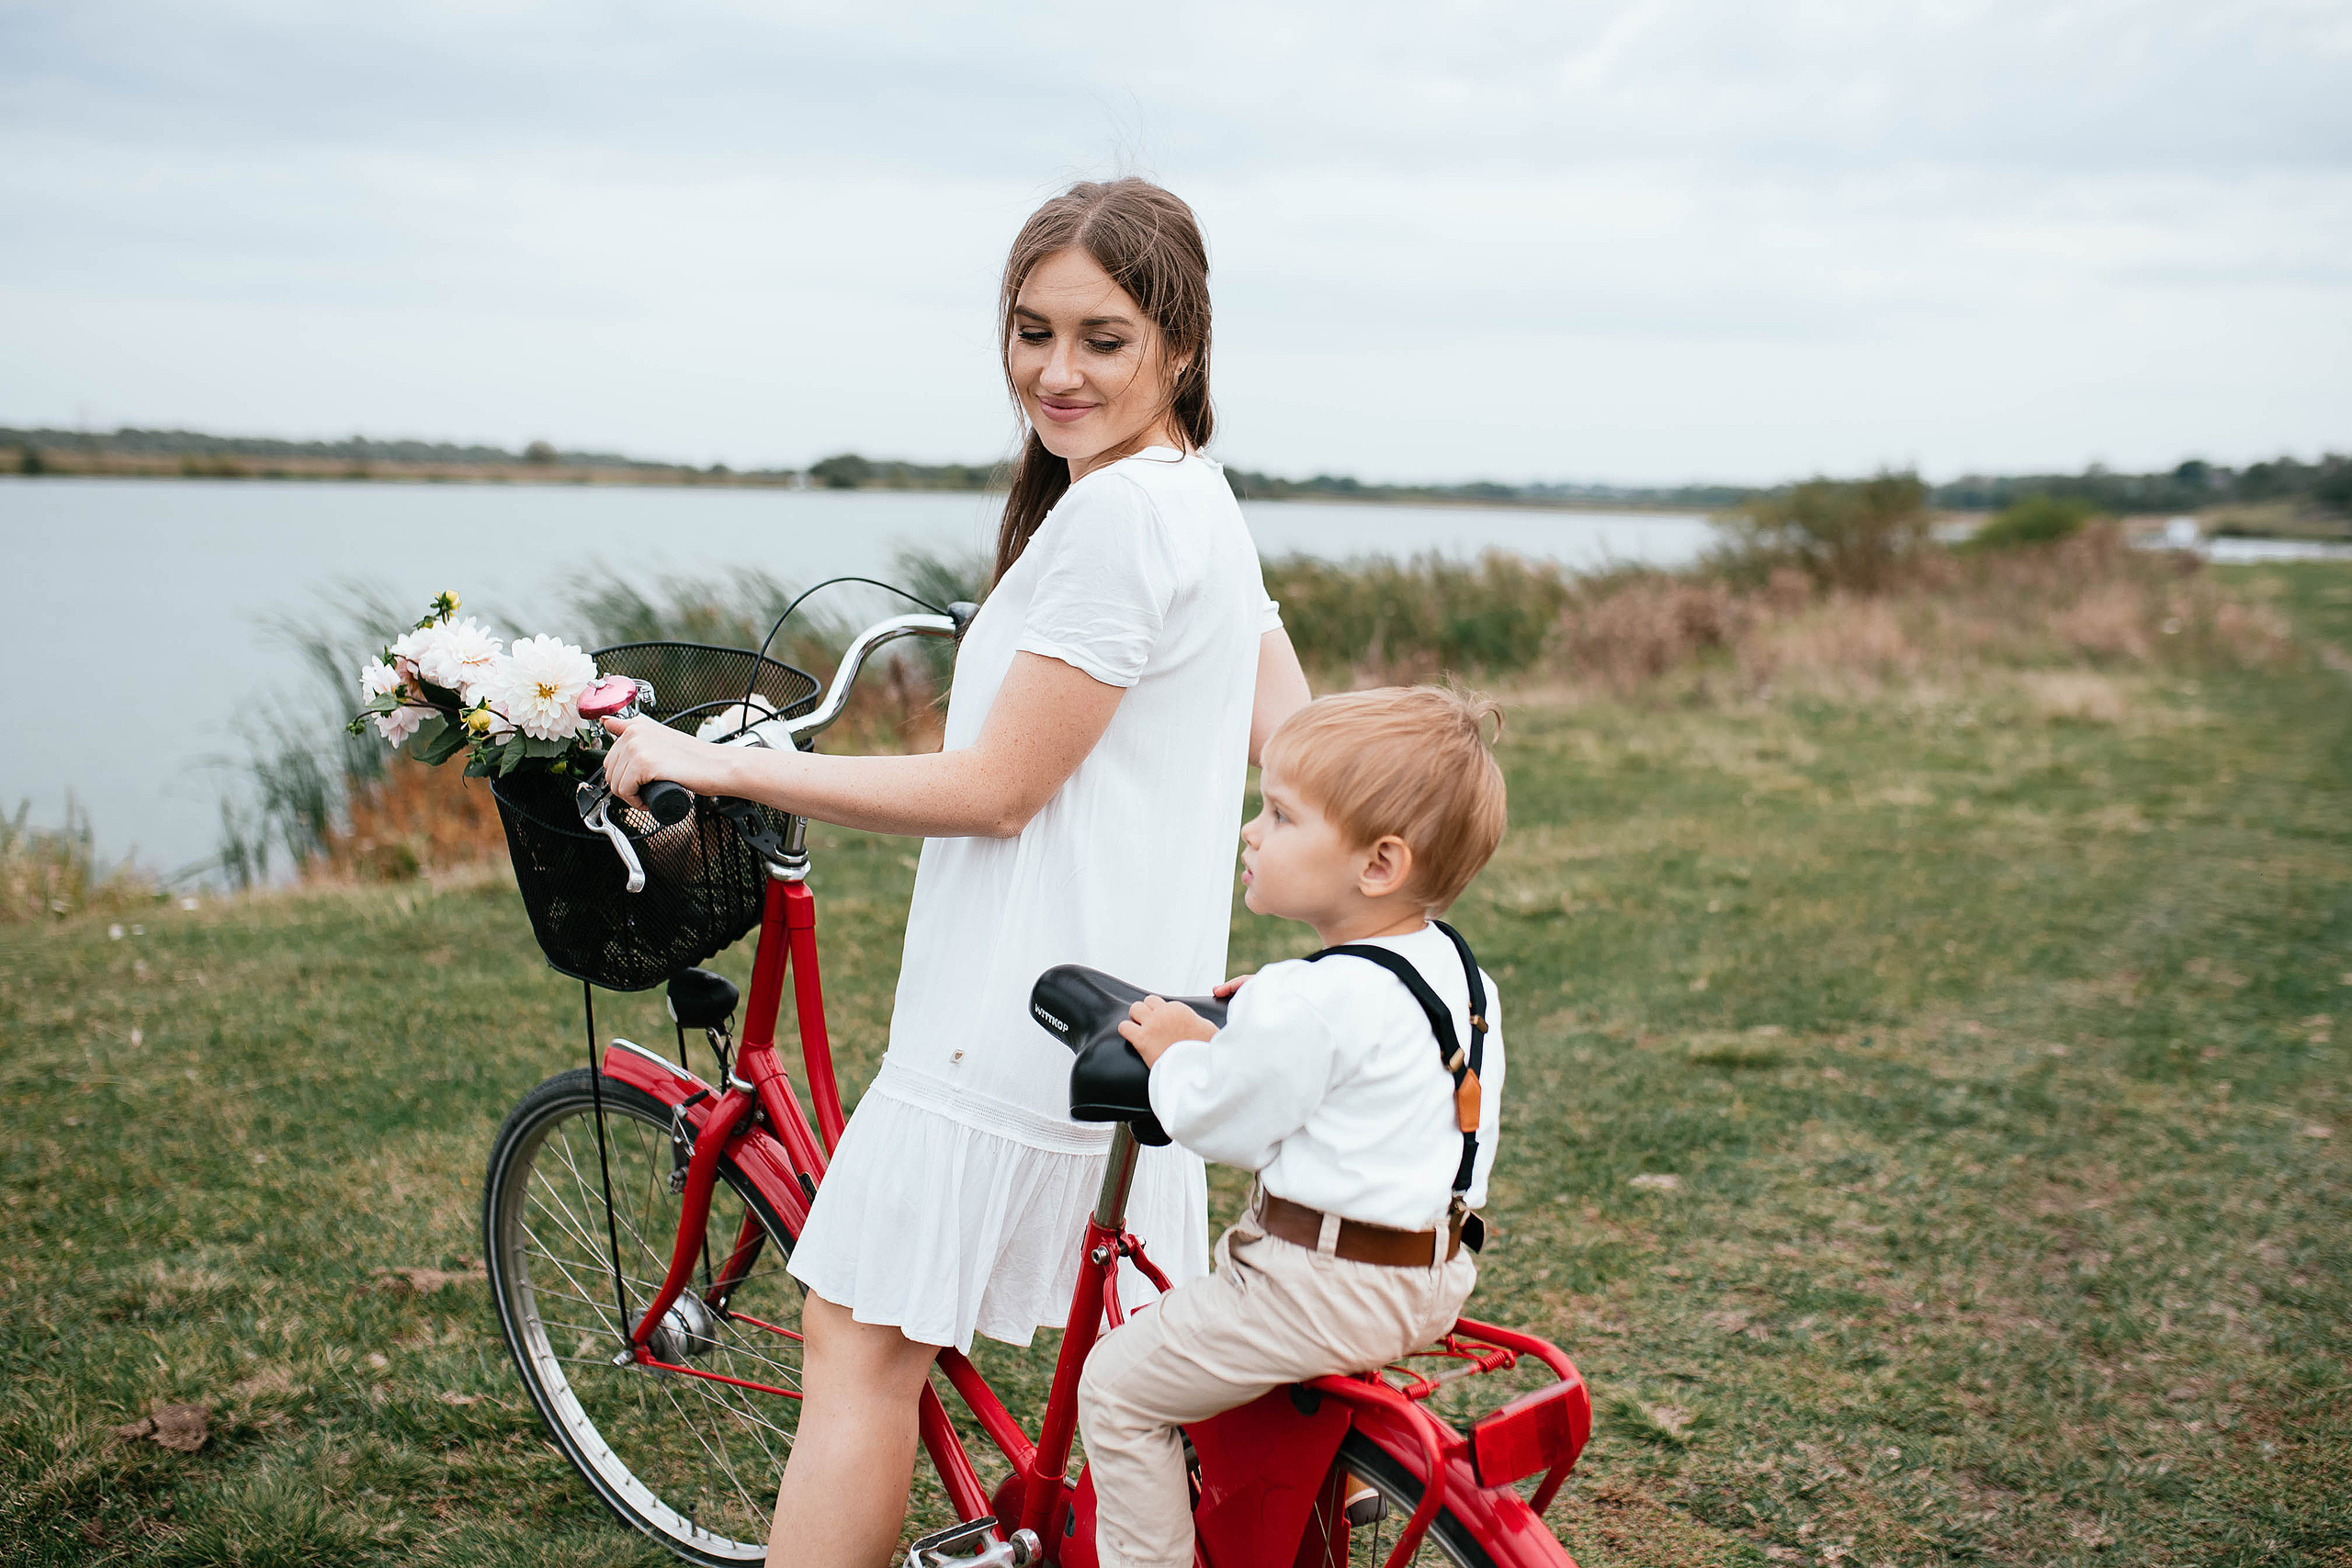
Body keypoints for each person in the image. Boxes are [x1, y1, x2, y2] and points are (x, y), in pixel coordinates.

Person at [598, 176, 1310, 1568]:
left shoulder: (1112, 521)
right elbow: (1292, 736)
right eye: (1031, 331)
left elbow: (993, 789)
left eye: (1103, 338)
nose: (1056, 371)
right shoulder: (1196, 499)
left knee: (859, 1355)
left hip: (1012, 1025)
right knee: (1110, 1401)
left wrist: (731, 764)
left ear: (1181, 342)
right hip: (1129, 1012)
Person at [1081, 685, 1510, 1568]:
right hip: (1428, 1272)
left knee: (1118, 1388)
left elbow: (1216, 1117)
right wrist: (1235, 1034)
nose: (1251, 830)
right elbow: (1348, 1088)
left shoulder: (1307, 996)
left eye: (1279, 814)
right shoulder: (1455, 972)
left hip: (1316, 1284)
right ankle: (1329, 1487)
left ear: (1379, 864)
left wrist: (1172, 1048)